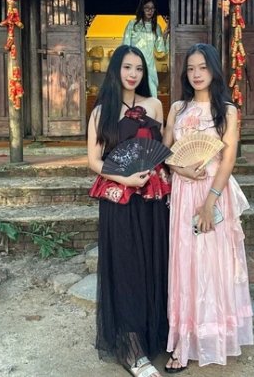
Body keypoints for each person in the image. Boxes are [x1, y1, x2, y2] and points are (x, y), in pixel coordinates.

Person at [163, 43, 253, 372]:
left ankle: (215, 336)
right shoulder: (177, 108)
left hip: (213, 192)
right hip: (183, 190)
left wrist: (209, 201)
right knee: (186, 262)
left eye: (202, 67)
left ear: (214, 69)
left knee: (213, 263)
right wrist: (180, 168)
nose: (196, 74)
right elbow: (165, 150)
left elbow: (228, 159)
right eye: (191, 68)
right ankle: (184, 341)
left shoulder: (227, 111)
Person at [87, 45, 171, 377]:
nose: (133, 74)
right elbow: (94, 160)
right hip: (119, 201)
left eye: (139, 68)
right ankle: (131, 349)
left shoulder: (155, 105)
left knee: (154, 264)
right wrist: (124, 177)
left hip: (154, 200)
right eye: (127, 67)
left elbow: (163, 150)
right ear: (115, 70)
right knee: (126, 269)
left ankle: (156, 336)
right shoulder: (102, 111)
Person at [122, 0, 169, 97]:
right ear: (141, 9)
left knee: (151, 96)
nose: (150, 11)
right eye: (147, 8)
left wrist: (164, 36)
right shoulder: (132, 25)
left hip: (150, 68)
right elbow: (125, 47)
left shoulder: (156, 28)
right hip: (134, 67)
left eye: (152, 8)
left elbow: (160, 51)